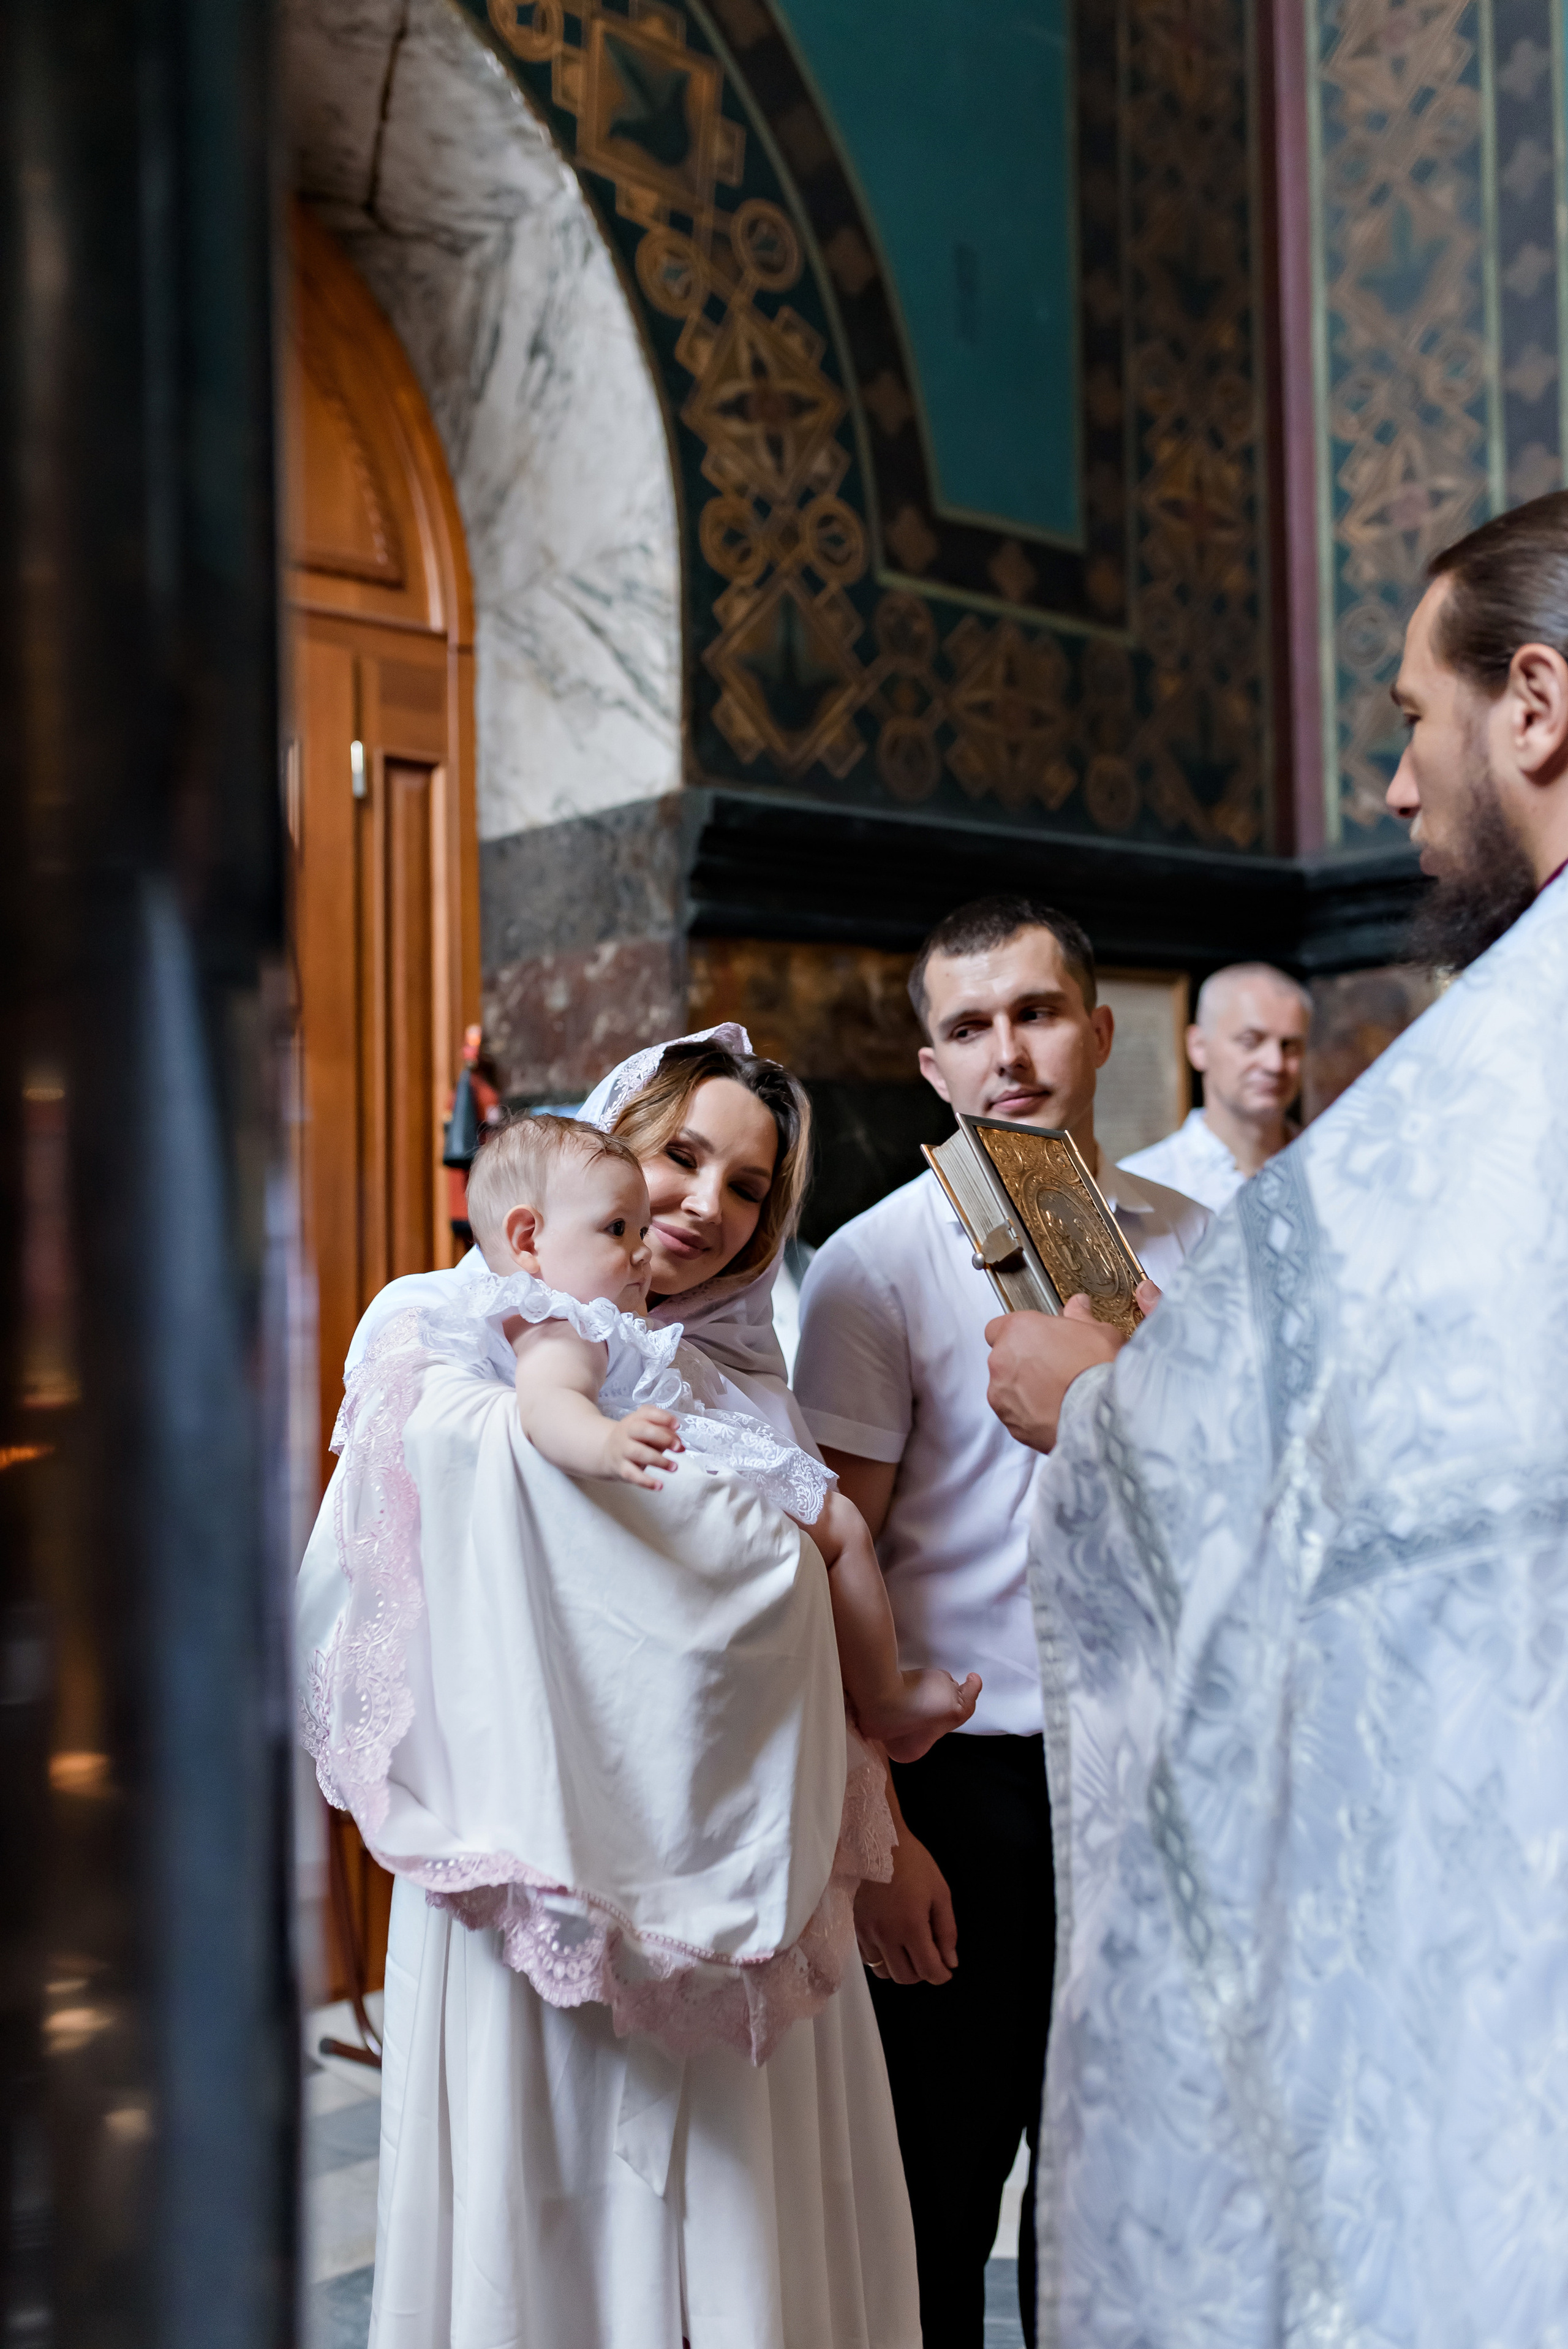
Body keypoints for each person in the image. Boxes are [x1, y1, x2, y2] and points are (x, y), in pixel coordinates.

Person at [986, 491, 1568, 2346]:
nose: (1397, 787)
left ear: (1532, 704)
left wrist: (1107, 1415)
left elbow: (1456, 1501)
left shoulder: (1499, 1079)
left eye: (1409, 718)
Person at [300, 1026, 922, 2349]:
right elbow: (489, 1492)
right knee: (549, 2208)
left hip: (735, 1855)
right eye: (681, 1155)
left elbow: (789, 1623)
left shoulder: (751, 1390)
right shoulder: (444, 1318)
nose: (704, 1203)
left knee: (734, 2228)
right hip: (532, 1851)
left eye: (747, 1188)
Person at [792, 895, 1208, 2349]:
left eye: (1034, 1012)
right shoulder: (867, 1263)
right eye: (967, 1026)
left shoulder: (1191, 1240)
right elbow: (824, 1563)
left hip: (1150, 1774)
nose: (1006, 1051)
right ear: (931, 1065)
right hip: (965, 1782)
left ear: (1100, 1033)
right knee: (934, 2187)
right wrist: (878, 1829)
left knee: (1121, 2183)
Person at [473, 1108, 980, 1756]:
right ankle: (885, 1699)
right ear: (527, 1240)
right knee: (843, 1528)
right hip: (663, 1469)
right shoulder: (561, 1323)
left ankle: (878, 1704)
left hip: (679, 1459)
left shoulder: (591, 1317)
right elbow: (548, 1406)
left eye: (747, 1188)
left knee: (842, 1528)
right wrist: (606, 1442)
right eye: (617, 1229)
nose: (640, 1250)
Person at [1121, 961, 1311, 1211]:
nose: (1275, 1064)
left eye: (1290, 1046)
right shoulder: (1142, 1185)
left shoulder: (1336, 1168)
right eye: (1250, 1042)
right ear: (1199, 1047)